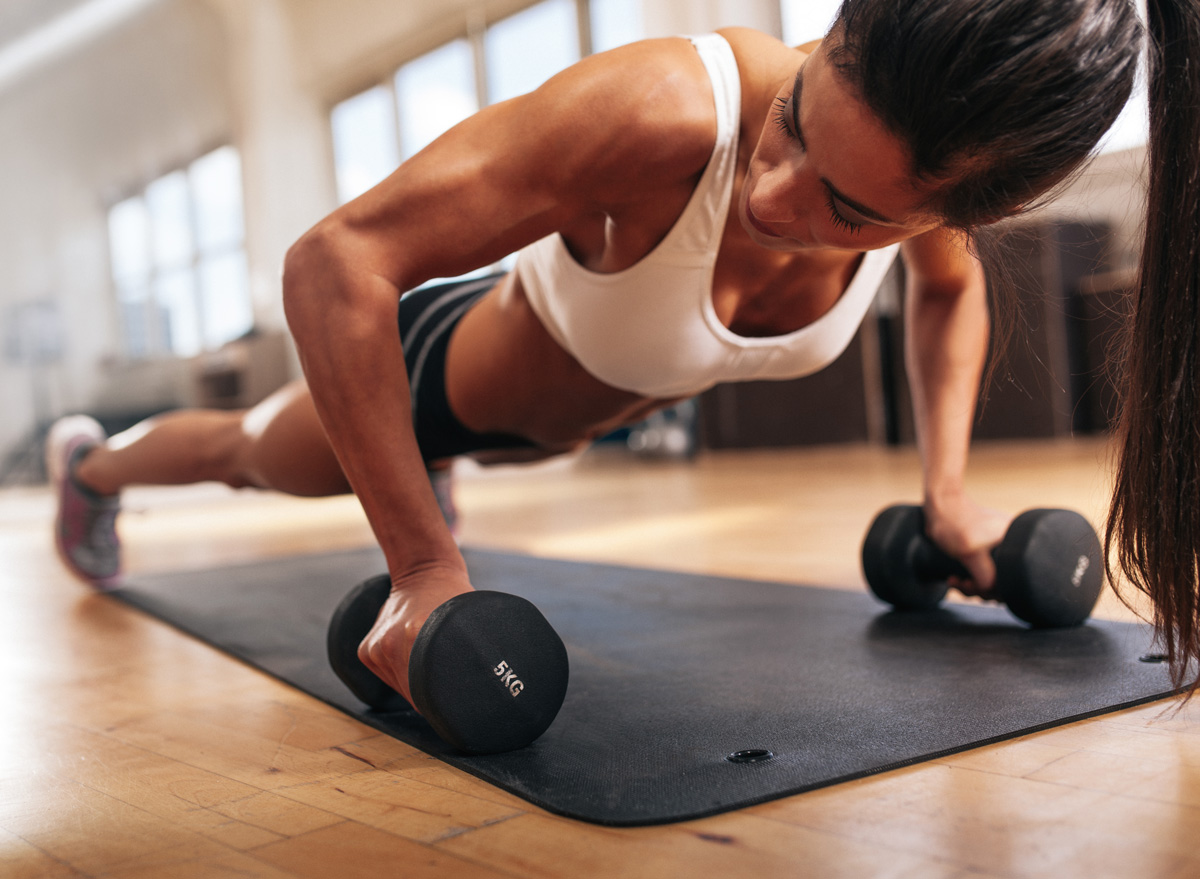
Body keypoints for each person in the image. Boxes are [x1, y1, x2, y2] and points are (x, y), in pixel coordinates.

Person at [45, 0, 1198, 708]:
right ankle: (92, 469)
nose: (773, 193)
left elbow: (950, 299)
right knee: (258, 452)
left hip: (572, 419)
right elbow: (332, 261)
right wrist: (421, 569)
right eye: (794, 117)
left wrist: (946, 497)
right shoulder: (656, 110)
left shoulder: (935, 181)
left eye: (849, 208)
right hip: (451, 375)